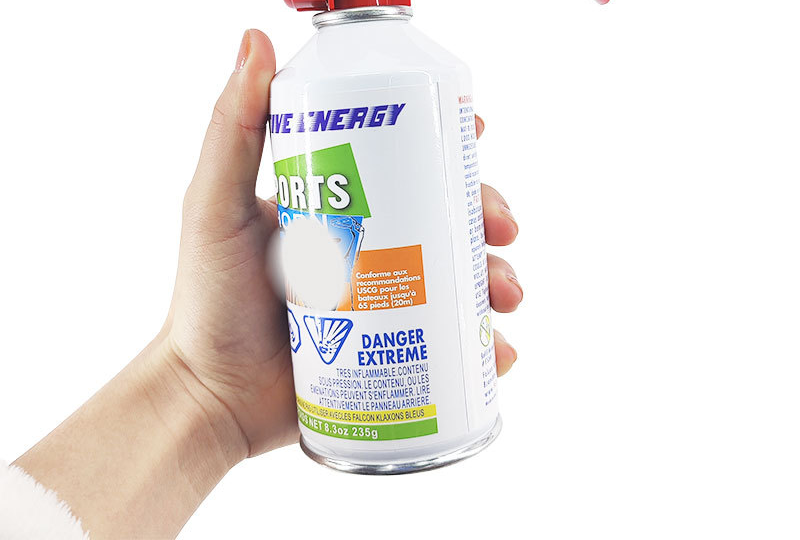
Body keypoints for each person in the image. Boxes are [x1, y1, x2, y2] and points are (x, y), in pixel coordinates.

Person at [3, 30, 523, 539]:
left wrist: (199, 390)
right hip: (331, 398)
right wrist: (203, 386)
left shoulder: (360, 79)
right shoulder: (308, 85)